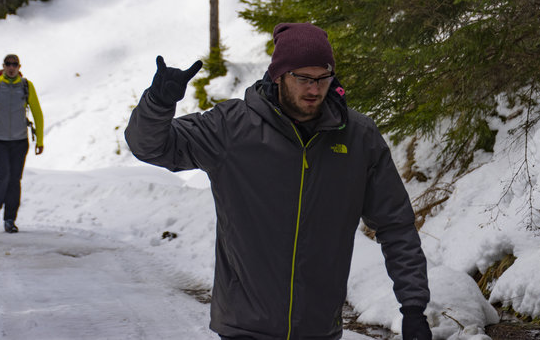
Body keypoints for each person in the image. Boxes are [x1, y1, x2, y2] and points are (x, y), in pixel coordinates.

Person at [125, 22, 432, 340]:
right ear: (279, 75)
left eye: (323, 78)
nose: (314, 89)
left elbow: (396, 226)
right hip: (245, 327)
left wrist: (413, 308)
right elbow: (152, 147)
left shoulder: (358, 138)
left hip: (318, 329)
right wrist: (157, 104)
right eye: (303, 78)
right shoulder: (232, 128)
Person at [0, 54, 44, 234]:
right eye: (8, 64)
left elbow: (37, 112)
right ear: (3, 66)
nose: (11, 67)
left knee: (15, 180)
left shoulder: (27, 86)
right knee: (2, 175)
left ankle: (10, 219)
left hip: (20, 140)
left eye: (14, 64)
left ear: (19, 67)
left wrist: (40, 140)